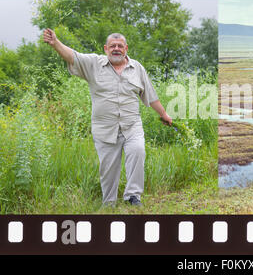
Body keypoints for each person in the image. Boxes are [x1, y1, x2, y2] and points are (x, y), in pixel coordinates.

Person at [43, 28, 173, 207]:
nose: (116, 49)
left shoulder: (137, 69)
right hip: (105, 128)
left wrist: (164, 114)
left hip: (131, 125)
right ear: (106, 48)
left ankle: (133, 196)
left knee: (138, 152)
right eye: (113, 46)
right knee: (108, 168)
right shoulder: (94, 64)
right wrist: (56, 43)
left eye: (120, 46)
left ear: (126, 48)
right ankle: (109, 203)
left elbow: (150, 95)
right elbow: (73, 56)